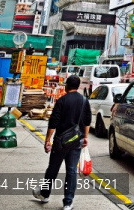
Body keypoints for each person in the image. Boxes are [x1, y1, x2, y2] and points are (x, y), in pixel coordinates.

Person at [32, 75, 91, 210]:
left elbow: (53, 122)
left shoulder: (62, 101)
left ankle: (45, 194)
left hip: (60, 142)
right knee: (71, 171)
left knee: (52, 169)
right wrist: (85, 137)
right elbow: (87, 121)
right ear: (78, 86)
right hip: (76, 141)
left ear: (66, 86)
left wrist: (47, 140)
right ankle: (68, 203)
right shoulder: (84, 101)